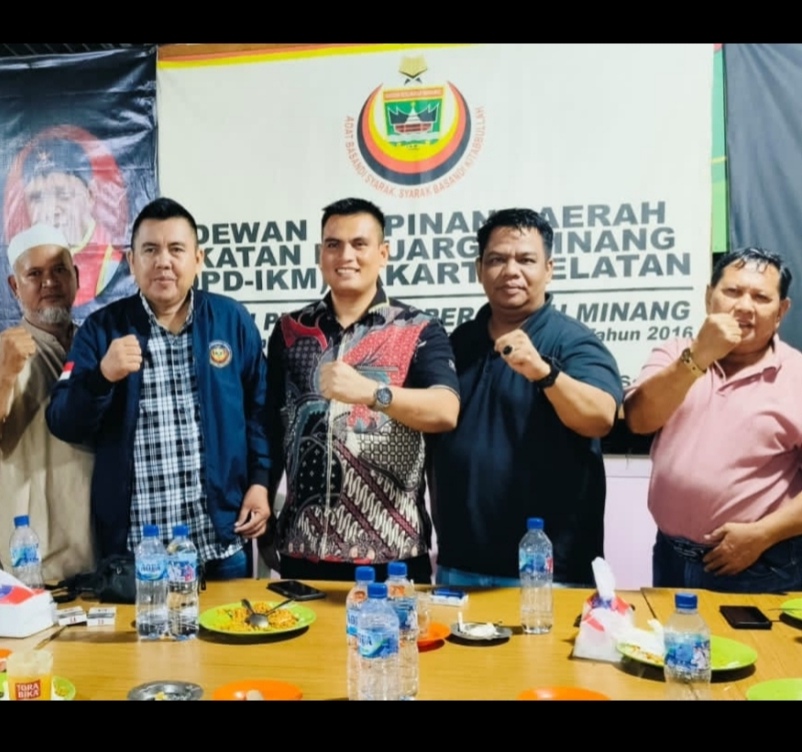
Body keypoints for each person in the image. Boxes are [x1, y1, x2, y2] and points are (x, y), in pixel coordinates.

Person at [46, 197, 269, 580]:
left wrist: (260, 483)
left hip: (221, 544)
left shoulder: (230, 320)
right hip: (138, 555)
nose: (163, 261)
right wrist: (102, 376)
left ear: (198, 259)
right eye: (150, 250)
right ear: (132, 262)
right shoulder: (102, 330)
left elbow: (260, 411)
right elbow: (62, 421)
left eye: (176, 249)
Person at [262, 198, 460, 584]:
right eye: (333, 245)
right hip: (303, 551)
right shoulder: (289, 331)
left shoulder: (418, 328)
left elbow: (445, 410)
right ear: (320, 254)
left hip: (394, 556)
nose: (345, 256)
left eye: (359, 244)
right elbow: (271, 428)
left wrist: (373, 393)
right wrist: (263, 497)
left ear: (383, 254)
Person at [429, 208, 623, 588]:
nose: (511, 271)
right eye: (497, 260)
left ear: (549, 269)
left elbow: (600, 417)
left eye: (526, 260)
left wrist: (544, 373)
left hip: (547, 572)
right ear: (479, 269)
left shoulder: (573, 341)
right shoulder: (458, 343)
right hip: (458, 565)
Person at [624, 247, 802, 592]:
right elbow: (639, 420)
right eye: (732, 292)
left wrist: (763, 534)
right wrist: (699, 357)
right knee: (670, 630)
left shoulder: (797, 375)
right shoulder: (674, 352)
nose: (744, 306)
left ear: (781, 311)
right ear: (709, 297)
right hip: (671, 554)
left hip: (760, 561)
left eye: (761, 297)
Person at [0, 223, 96, 584]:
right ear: (14, 286)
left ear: (76, 277)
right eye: (34, 274)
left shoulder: (97, 346)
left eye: (59, 270)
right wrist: (6, 374)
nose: (49, 282)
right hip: (36, 561)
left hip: (105, 552)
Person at [19, 135, 135, 316]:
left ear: (90, 195)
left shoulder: (117, 267)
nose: (50, 210)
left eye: (63, 194)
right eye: (37, 198)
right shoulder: (22, 268)